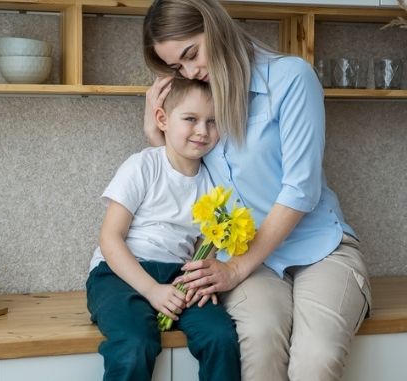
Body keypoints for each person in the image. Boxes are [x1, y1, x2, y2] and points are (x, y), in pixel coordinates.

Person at [141, 0, 372, 380]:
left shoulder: (291, 78)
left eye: (191, 54)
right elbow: (188, 189)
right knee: (259, 345)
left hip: (321, 249)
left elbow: (300, 190)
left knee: (316, 360)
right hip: (250, 259)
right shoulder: (202, 103)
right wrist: (158, 137)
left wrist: (234, 269)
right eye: (177, 67)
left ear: (214, 25)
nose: (191, 71)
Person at [86, 77, 240, 381]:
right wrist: (151, 290)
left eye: (212, 121)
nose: (202, 130)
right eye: (191, 119)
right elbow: (110, 238)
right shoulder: (142, 166)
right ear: (162, 120)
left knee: (221, 337)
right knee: (134, 343)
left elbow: (200, 246)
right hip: (119, 275)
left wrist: (198, 279)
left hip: (178, 278)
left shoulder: (213, 185)